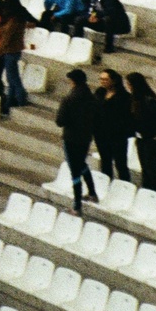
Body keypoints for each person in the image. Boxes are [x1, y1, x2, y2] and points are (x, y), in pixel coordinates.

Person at [58, 70, 99, 212]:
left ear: (73, 81)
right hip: (86, 137)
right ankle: (92, 192)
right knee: (81, 163)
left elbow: (60, 121)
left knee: (74, 169)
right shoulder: (92, 98)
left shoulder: (68, 99)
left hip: (71, 137)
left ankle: (77, 205)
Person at [127, 72, 156, 192]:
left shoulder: (149, 100)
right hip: (141, 138)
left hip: (152, 140)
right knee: (144, 169)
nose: (128, 87)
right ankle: (146, 191)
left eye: (129, 84)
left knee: (152, 170)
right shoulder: (134, 99)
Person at [93, 70, 133, 182]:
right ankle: (106, 184)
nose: (102, 82)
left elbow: (127, 117)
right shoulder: (99, 92)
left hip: (117, 135)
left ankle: (124, 186)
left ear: (113, 80)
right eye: (101, 79)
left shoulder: (124, 97)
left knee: (121, 164)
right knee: (105, 162)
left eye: (105, 79)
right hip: (101, 134)